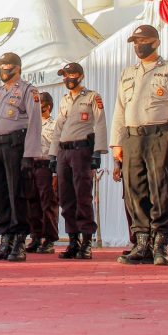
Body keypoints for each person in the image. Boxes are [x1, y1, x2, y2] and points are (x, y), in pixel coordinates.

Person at [110, 25, 168, 266]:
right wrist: (116, 143)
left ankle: (160, 244)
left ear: (155, 42)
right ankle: (141, 242)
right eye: (135, 42)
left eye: (142, 41)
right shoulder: (127, 73)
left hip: (159, 135)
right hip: (132, 137)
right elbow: (119, 109)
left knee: (161, 189)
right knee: (135, 190)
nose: (138, 46)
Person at [0, 52, 42, 263]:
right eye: (0, 66)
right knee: (0, 195)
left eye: (7, 65)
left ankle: (18, 240)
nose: (3, 69)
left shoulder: (28, 90)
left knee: (17, 194)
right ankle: (5, 238)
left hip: (16, 145)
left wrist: (30, 155)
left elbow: (35, 123)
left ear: (17, 67)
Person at [51, 62, 109, 260]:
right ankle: (73, 241)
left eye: (72, 74)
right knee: (66, 198)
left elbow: (100, 123)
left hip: (82, 151)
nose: (68, 78)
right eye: (65, 75)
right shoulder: (64, 100)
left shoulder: (92, 97)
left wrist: (98, 152)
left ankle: (86, 242)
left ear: (81, 76)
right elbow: (58, 128)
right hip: (64, 152)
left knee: (82, 197)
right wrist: (52, 155)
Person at [25, 91, 59, 255]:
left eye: (41, 104)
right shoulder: (31, 124)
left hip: (47, 165)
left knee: (48, 204)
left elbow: (57, 149)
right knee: (32, 204)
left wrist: (55, 173)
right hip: (31, 165)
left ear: (48, 106)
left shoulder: (55, 124)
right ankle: (36, 236)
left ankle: (49, 239)